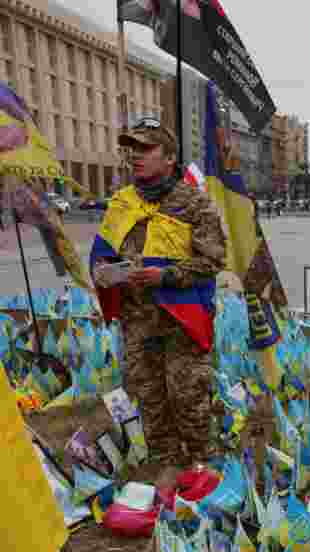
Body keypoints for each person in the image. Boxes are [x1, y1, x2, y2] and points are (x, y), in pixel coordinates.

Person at [90, 119, 226, 468]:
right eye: (131, 149)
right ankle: (167, 461)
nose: (135, 156)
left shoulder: (194, 203)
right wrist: (105, 273)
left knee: (188, 395)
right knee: (149, 396)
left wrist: (165, 275)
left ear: (169, 158)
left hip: (181, 320)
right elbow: (103, 254)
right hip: (137, 321)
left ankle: (201, 463)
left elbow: (212, 261)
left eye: (146, 149)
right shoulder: (122, 203)